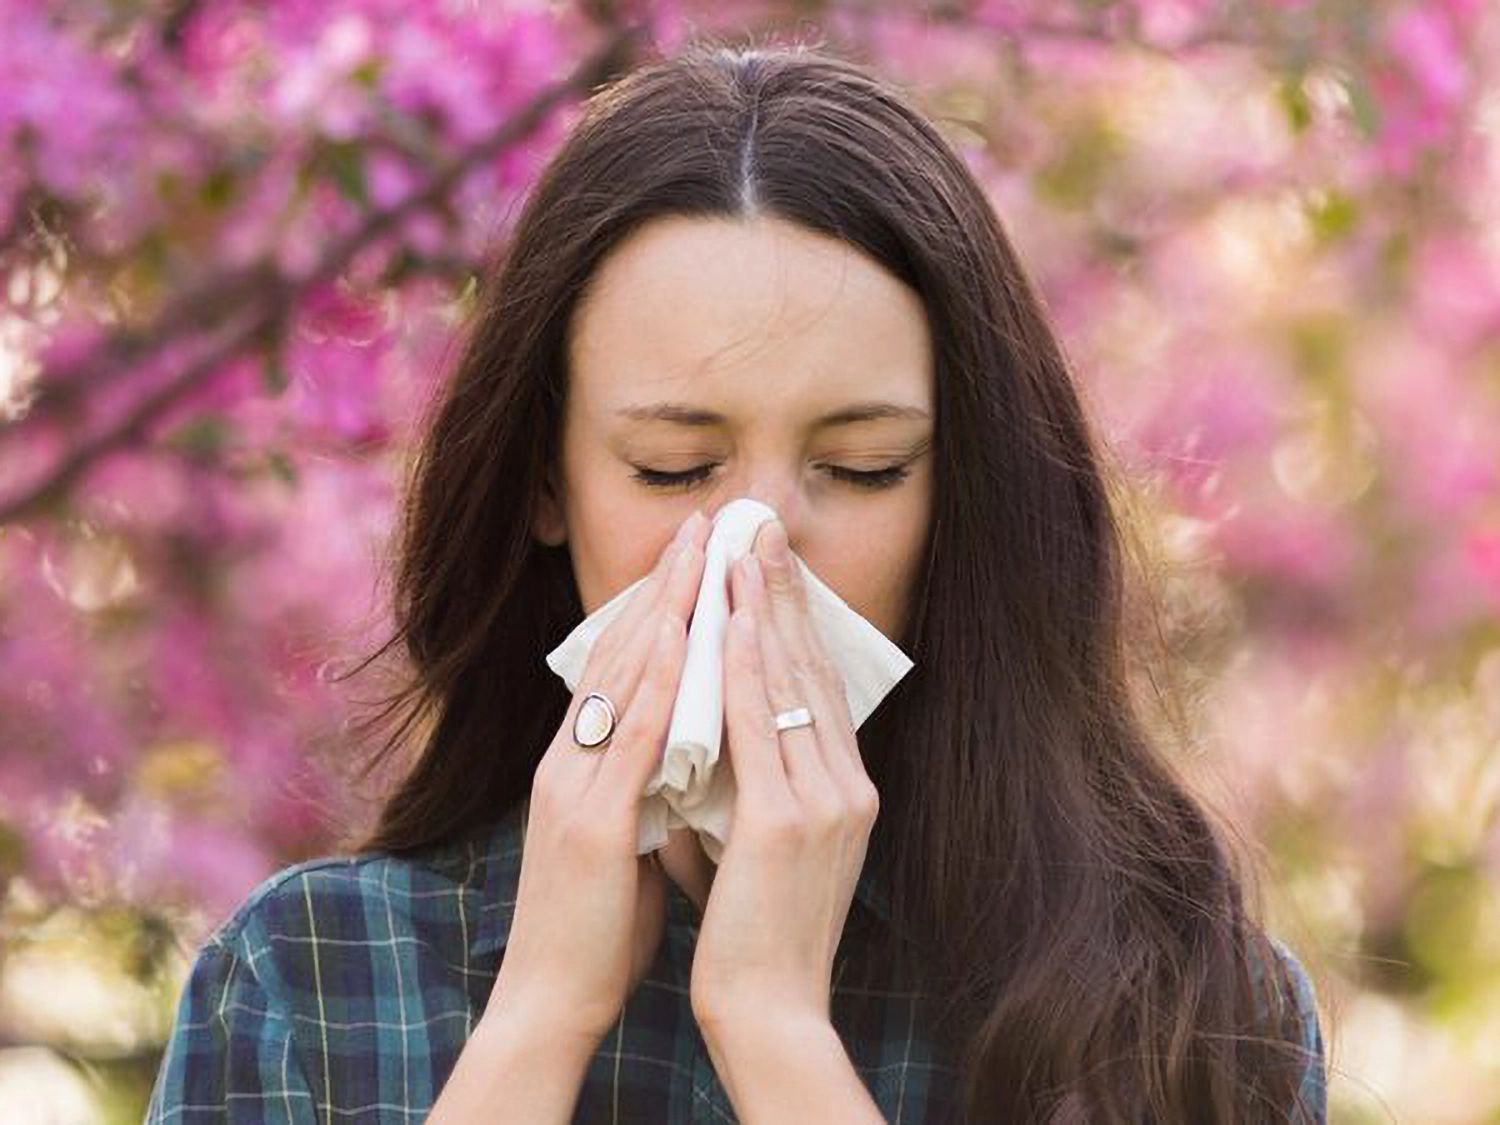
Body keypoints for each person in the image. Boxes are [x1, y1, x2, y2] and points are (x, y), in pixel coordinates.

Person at [145, 39, 1329, 1124]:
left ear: (955, 492)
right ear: (546, 482)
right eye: (675, 468)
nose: (759, 543)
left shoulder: (1179, 1018)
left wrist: (775, 1033)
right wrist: (541, 1014)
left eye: (863, 469)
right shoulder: (308, 979)